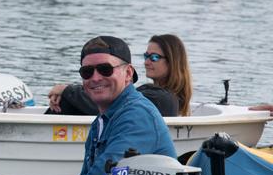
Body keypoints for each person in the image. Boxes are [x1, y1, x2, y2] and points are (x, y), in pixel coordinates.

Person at [33, 36, 176, 175]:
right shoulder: (102, 121)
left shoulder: (137, 115)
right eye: (87, 72)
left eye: (105, 69)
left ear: (129, 73)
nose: (95, 78)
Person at [47, 34, 190, 117]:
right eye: (146, 56)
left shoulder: (161, 98)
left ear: (173, 61)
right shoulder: (153, 93)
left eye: (154, 57)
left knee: (66, 102)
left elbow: (117, 106)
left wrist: (67, 91)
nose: (146, 62)